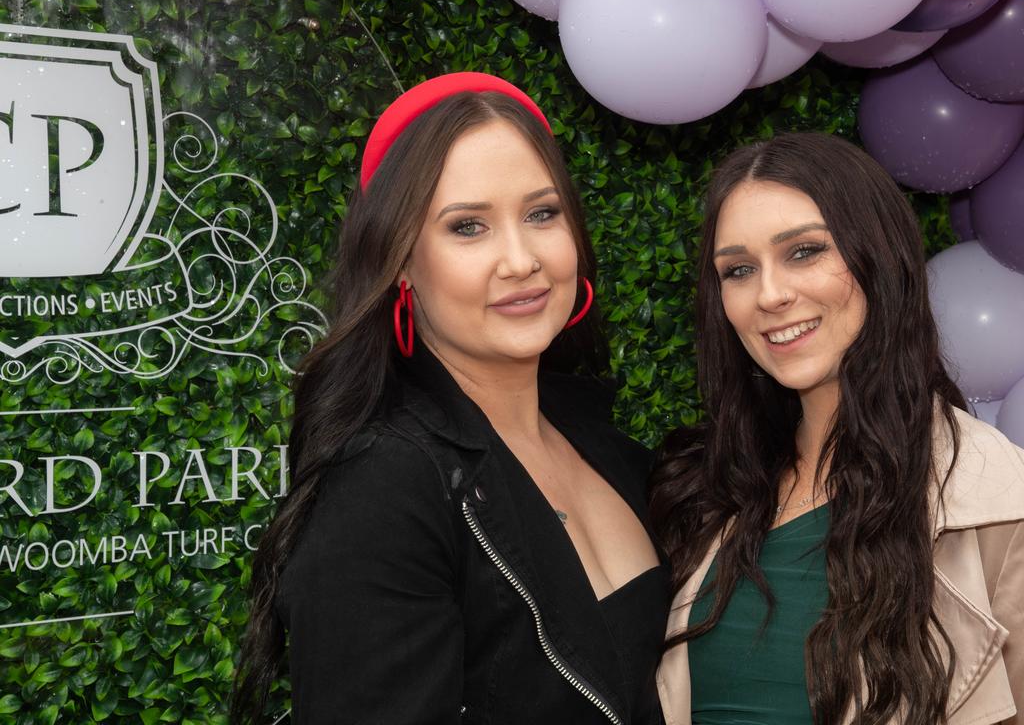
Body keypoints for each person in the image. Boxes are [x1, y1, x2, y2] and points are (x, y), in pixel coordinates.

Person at [231, 72, 669, 725]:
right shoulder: (387, 486)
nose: (521, 260)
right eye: (468, 227)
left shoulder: (611, 450)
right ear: (401, 261)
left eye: (542, 214)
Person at [649, 132, 1024, 725]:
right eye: (739, 269)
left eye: (803, 251)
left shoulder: (1000, 505)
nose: (770, 294)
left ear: (880, 256)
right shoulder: (707, 489)